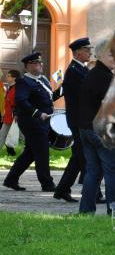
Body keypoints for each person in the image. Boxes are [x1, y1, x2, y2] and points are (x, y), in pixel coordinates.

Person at [3, 51, 62, 192]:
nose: (40, 65)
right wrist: (37, 113)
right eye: (36, 63)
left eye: (40, 62)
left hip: (43, 121)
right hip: (31, 121)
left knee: (30, 152)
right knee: (42, 152)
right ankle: (47, 184)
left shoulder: (43, 80)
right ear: (27, 66)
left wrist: (63, 89)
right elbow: (21, 101)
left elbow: (50, 98)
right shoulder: (24, 82)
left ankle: (11, 179)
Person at [78, 41, 115, 216]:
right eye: (111, 54)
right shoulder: (104, 77)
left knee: (93, 172)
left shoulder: (93, 74)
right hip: (100, 131)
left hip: (87, 129)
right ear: (100, 56)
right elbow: (114, 106)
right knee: (112, 170)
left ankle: (86, 210)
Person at [53, 37, 93, 202]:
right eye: (87, 49)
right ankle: (91, 192)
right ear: (77, 52)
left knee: (80, 155)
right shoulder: (75, 71)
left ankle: (62, 190)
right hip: (78, 119)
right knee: (83, 155)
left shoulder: (81, 69)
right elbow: (86, 95)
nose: (90, 52)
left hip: (81, 118)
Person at [0, 69, 20, 155]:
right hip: (8, 117)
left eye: (9, 76)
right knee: (2, 135)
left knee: (26, 137)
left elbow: (18, 103)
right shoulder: (9, 88)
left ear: (14, 78)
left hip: (16, 117)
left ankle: (33, 152)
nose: (6, 77)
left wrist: (16, 114)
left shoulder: (18, 89)